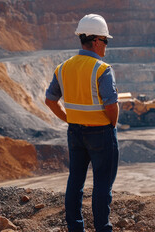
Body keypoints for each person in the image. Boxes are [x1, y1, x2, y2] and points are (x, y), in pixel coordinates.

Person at [45, 14, 119, 232]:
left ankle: (75, 228)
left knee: (75, 181)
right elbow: (111, 105)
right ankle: (102, 228)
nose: (106, 45)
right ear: (96, 40)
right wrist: (112, 124)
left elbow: (50, 100)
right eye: (105, 40)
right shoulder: (101, 69)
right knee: (102, 184)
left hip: (75, 133)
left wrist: (70, 119)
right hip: (101, 133)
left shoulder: (63, 67)